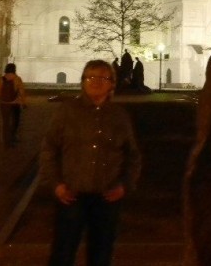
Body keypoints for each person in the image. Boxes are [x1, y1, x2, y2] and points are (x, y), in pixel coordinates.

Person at [40, 59, 141, 266]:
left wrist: (125, 185)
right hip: (72, 193)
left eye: (102, 78)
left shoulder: (119, 116)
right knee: (63, 252)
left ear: (112, 83)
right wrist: (56, 184)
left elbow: (133, 155)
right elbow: (49, 149)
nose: (96, 82)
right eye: (90, 77)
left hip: (107, 195)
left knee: (101, 253)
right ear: (83, 82)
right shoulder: (67, 112)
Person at [0, 62, 26, 146]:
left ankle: (5, 139)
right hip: (15, 103)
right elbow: (21, 91)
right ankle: (12, 137)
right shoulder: (17, 79)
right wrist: (24, 102)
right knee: (15, 121)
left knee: (5, 122)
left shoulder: (1, 79)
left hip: (4, 103)